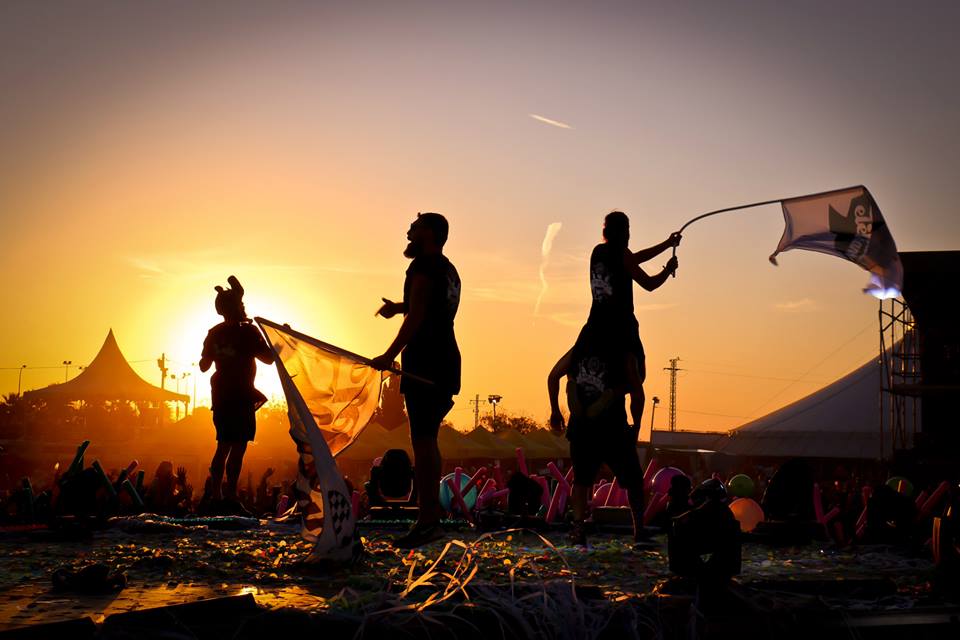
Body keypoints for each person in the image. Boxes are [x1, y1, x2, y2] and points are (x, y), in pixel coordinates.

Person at [371, 213, 461, 548]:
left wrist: (388, 353)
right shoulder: (447, 268)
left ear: (431, 234)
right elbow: (428, 306)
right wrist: (401, 306)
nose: (409, 227)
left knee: (422, 442)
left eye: (417, 224)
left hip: (426, 361)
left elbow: (420, 316)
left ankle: (427, 522)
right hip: (446, 359)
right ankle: (430, 519)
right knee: (428, 439)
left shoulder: (422, 265)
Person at [548, 322, 647, 546]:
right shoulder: (625, 354)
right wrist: (637, 426)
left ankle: (578, 530)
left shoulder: (578, 350)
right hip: (613, 427)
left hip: (582, 426)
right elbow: (637, 394)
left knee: (581, 481)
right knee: (633, 481)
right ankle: (639, 530)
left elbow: (553, 376)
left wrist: (555, 410)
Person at [584, 211, 679, 436]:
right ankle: (634, 428)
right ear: (622, 232)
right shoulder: (623, 256)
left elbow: (632, 258)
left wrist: (667, 244)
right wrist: (667, 269)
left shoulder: (598, 252)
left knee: (563, 370)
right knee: (637, 380)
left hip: (595, 327)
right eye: (627, 230)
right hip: (622, 329)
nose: (629, 235)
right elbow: (649, 283)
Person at [199, 275, 274, 513]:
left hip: (221, 395)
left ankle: (217, 497)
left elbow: (203, 366)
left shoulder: (214, 333)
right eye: (241, 305)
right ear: (236, 307)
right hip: (241, 396)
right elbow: (269, 359)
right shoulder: (248, 332)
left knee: (222, 445)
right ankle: (229, 496)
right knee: (238, 447)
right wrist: (280, 340)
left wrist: (215, 354)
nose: (244, 308)